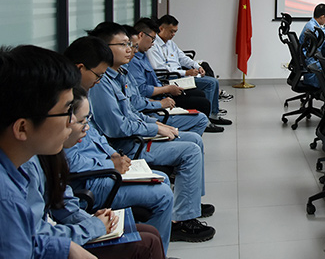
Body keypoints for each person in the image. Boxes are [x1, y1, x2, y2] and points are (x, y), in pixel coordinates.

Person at [86, 22, 216, 242]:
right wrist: (155, 126)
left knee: (194, 139)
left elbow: (133, 110)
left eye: (130, 44)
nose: (130, 49)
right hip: (128, 145)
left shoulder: (119, 74)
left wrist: (157, 125)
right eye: (123, 44)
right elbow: (118, 127)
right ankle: (183, 219)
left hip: (137, 135)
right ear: (104, 49)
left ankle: (188, 203)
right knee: (190, 151)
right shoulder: (101, 83)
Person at [0, 44, 95, 258]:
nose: (71, 121)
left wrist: (66, 248)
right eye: (66, 111)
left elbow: (28, 240)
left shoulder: (14, 171)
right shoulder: (6, 200)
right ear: (22, 128)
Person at [64, 87, 174, 252]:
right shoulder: (65, 123)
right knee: (163, 194)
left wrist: (114, 155)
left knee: (162, 179)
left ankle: (157, 249)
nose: (85, 127)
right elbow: (71, 163)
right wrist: (110, 164)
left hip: (106, 170)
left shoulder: (82, 102)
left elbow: (97, 136)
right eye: (81, 122)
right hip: (92, 181)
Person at [24, 147, 167, 258]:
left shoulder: (47, 155)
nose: (85, 126)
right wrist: (92, 227)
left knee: (151, 231)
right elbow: (37, 237)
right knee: (148, 244)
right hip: (50, 246)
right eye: (71, 120)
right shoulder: (28, 166)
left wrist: (92, 221)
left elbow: (63, 204)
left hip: (58, 232)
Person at [127, 18, 220, 133]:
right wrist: (166, 92)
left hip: (163, 89)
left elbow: (183, 58)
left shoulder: (144, 54)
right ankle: (202, 124)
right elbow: (142, 92)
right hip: (164, 87)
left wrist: (196, 66)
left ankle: (210, 117)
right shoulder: (135, 60)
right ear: (141, 35)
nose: (153, 43)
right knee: (204, 98)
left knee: (201, 91)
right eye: (152, 39)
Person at [146, 15, 231, 126]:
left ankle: (213, 114)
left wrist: (197, 66)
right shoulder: (153, 46)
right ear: (161, 28)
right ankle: (208, 119)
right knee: (210, 83)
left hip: (179, 75)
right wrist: (185, 73)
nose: (173, 34)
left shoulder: (170, 43)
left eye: (175, 32)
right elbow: (160, 69)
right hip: (169, 79)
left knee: (213, 81)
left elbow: (183, 58)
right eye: (171, 31)